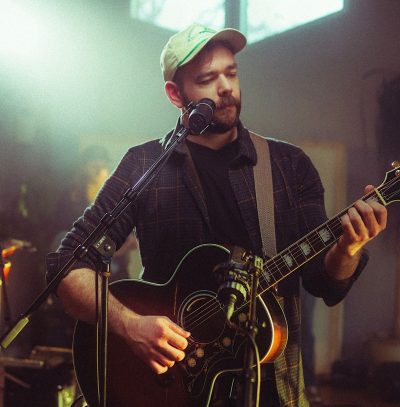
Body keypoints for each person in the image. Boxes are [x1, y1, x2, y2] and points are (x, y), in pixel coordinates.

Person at [46, 24, 387, 406]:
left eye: (231, 73)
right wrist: (131, 326)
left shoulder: (289, 166)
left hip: (271, 391)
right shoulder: (143, 165)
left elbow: (326, 285)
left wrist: (348, 248)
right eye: (207, 79)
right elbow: (67, 267)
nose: (225, 87)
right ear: (176, 94)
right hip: (171, 389)